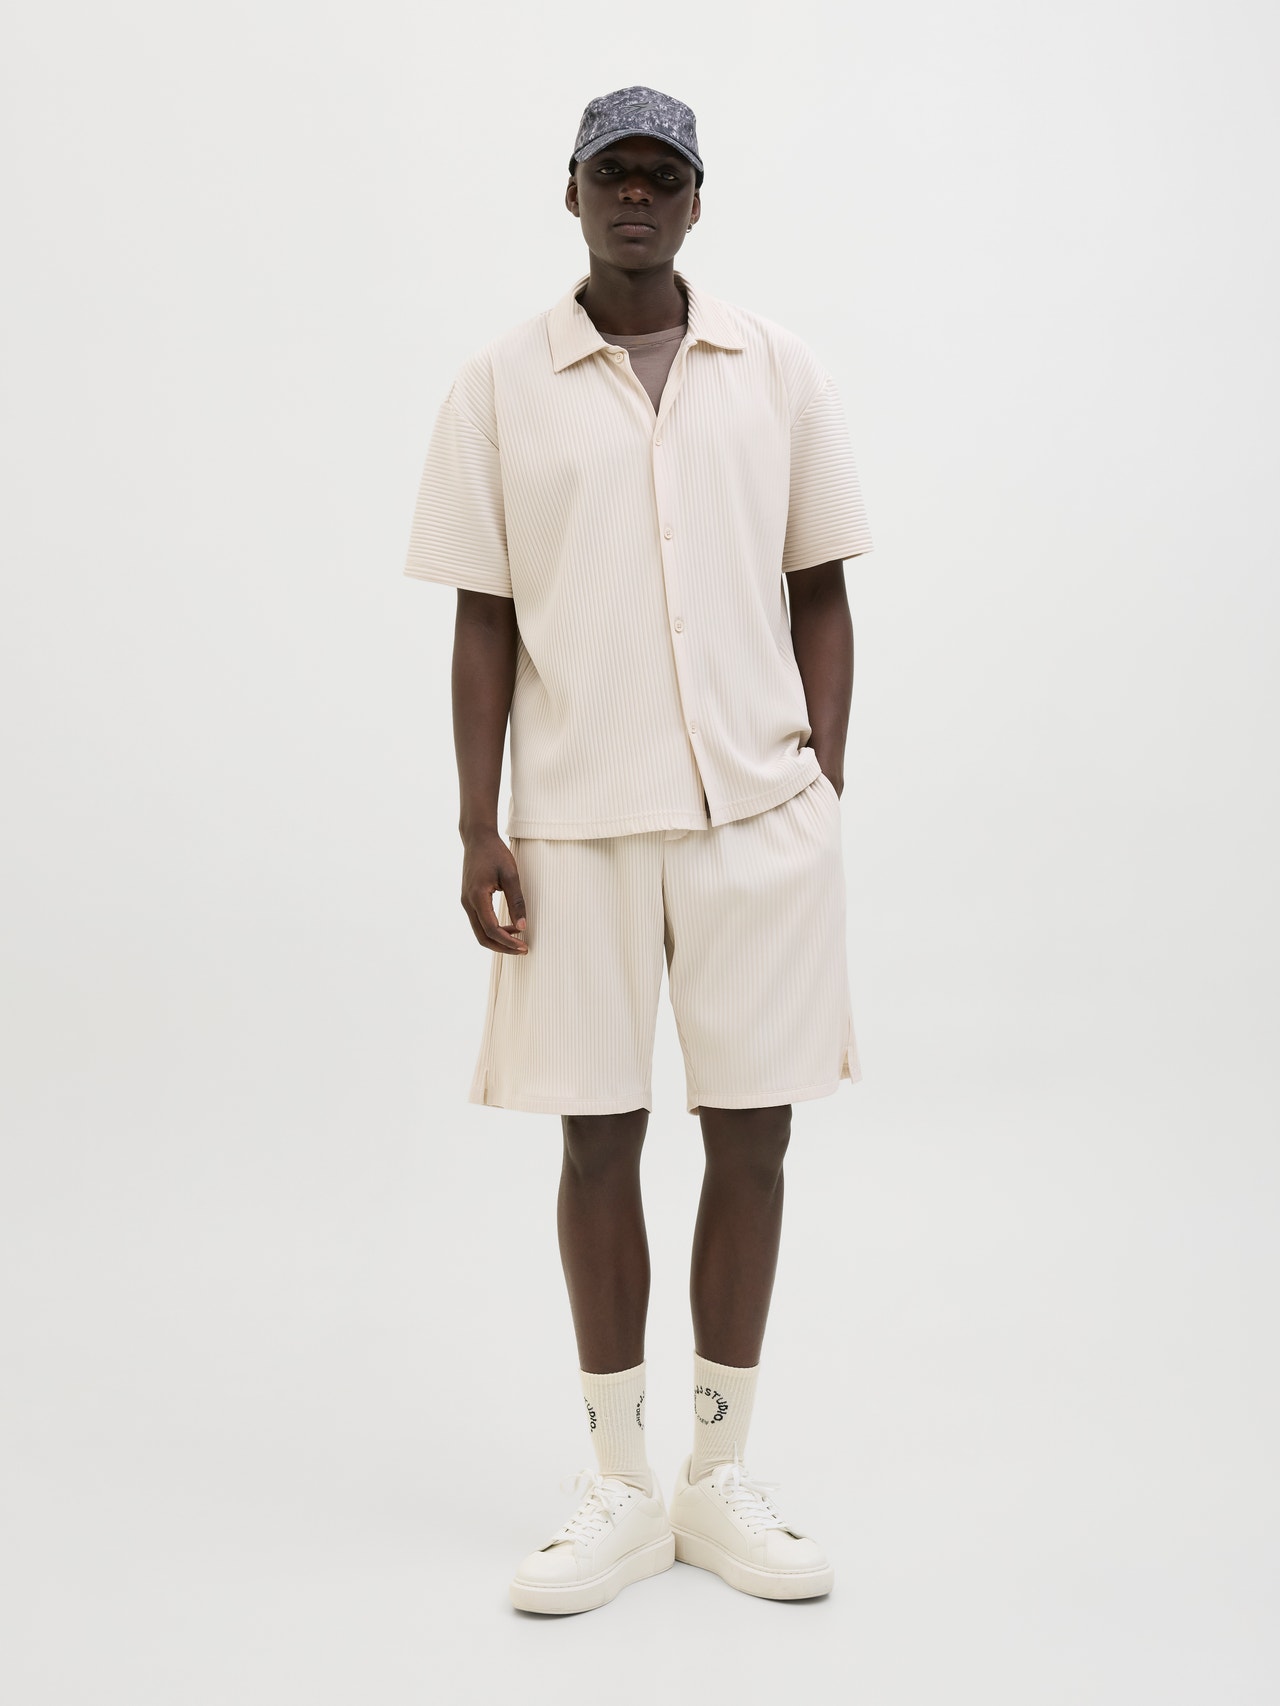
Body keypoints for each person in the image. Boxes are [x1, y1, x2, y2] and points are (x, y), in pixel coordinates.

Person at [402, 85, 874, 1615]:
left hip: (756, 821)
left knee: (754, 1135)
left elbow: (821, 584)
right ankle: (618, 1480)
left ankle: (716, 1475)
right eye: (614, 172)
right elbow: (483, 613)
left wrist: (821, 780)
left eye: (664, 176)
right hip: (577, 825)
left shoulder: (777, 369)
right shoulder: (500, 385)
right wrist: (477, 818)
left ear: (694, 201)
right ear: (572, 191)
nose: (637, 196)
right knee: (596, 1140)